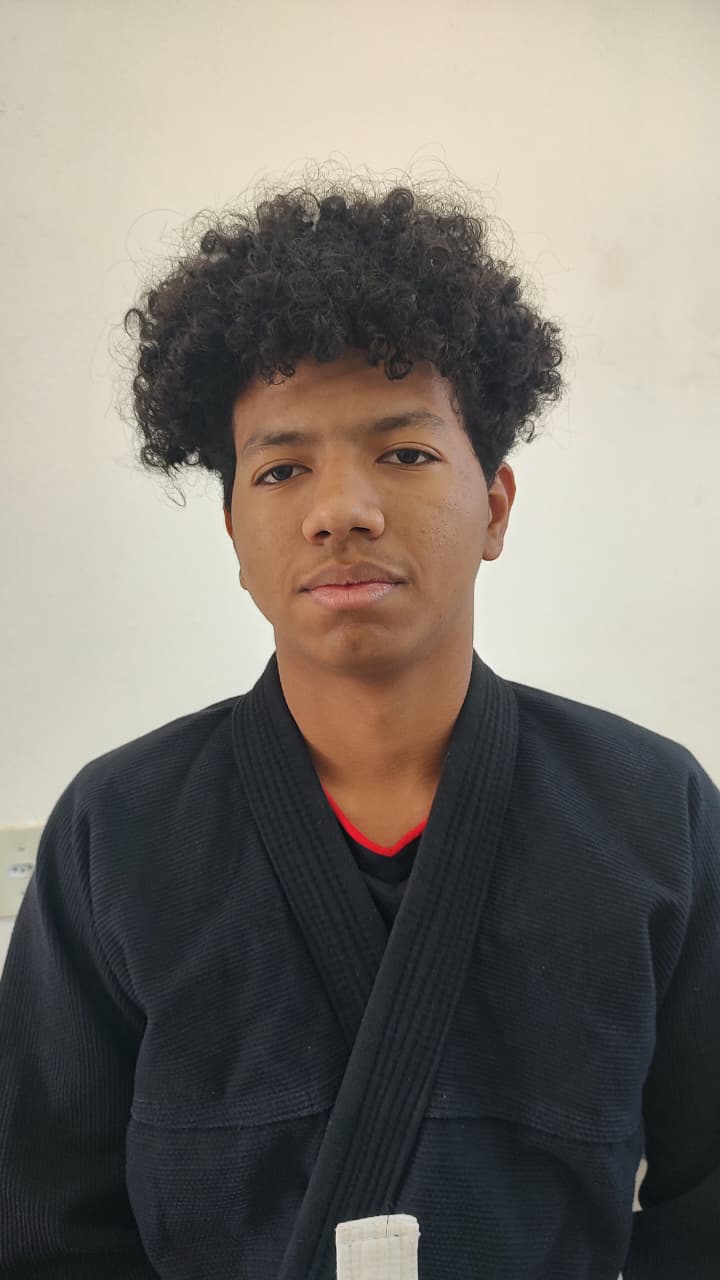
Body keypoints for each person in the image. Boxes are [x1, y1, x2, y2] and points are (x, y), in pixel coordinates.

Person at [1, 173, 718, 1280]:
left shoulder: (653, 814)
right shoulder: (120, 830)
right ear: (234, 529)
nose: (342, 509)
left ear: (496, 506)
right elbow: (45, 1227)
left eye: (406, 452)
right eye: (282, 468)